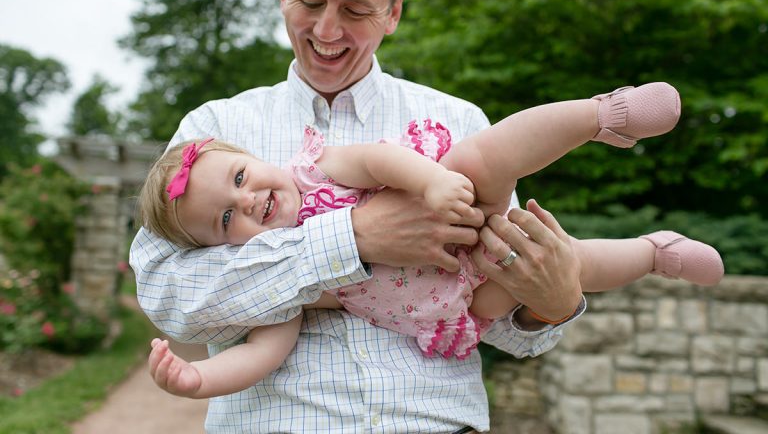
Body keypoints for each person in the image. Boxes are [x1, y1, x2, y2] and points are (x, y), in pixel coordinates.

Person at [128, 0, 643, 431]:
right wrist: (353, 238)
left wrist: (549, 307)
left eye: (355, 10)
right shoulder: (214, 132)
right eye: (309, 2)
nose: (327, 31)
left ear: (393, 11)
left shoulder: (458, 123)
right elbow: (168, 294)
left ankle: (605, 130)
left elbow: (499, 315)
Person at [139, 88, 723, 398]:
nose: (245, 203)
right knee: (583, 259)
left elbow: (376, 159)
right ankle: (657, 252)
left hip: (454, 202)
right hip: (460, 300)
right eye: (224, 221)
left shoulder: (316, 168)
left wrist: (434, 181)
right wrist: (198, 382)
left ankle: (603, 114)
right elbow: (258, 353)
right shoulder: (284, 290)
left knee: (482, 161)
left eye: (240, 180)